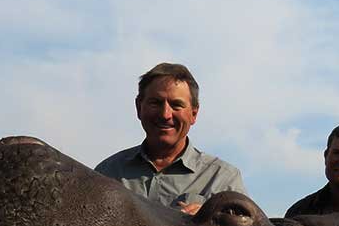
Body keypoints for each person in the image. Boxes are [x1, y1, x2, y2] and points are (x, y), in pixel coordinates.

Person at [96, 62, 246, 214]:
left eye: (176, 105)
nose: (165, 114)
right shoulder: (107, 174)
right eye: (156, 103)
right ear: (139, 107)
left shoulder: (223, 179)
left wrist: (211, 225)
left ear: (194, 114)